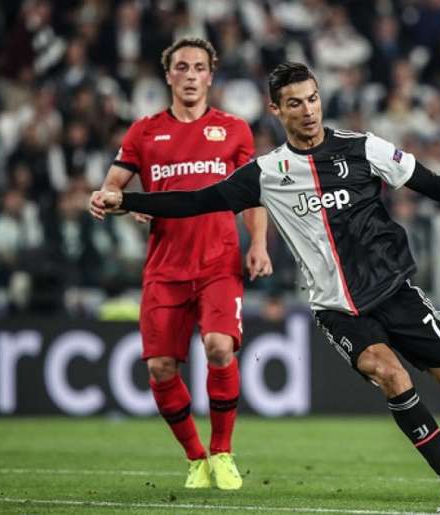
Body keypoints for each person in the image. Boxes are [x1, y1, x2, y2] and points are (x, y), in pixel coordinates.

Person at [90, 61, 440, 512]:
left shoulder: (362, 148)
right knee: (389, 373)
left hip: (394, 292)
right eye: (295, 103)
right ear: (277, 110)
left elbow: (431, 184)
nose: (308, 110)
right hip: (337, 308)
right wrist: (128, 199)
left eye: (313, 98)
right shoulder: (267, 172)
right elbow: (199, 200)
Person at [88, 37, 272, 490]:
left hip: (218, 261)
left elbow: (254, 194)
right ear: (168, 75)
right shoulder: (143, 132)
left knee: (218, 347)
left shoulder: (235, 130)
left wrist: (259, 244)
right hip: (165, 267)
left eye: (199, 68)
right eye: (182, 68)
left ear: (212, 75)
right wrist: (110, 198)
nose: (191, 76)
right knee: (160, 369)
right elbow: (113, 184)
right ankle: (196, 458)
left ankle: (224, 451)